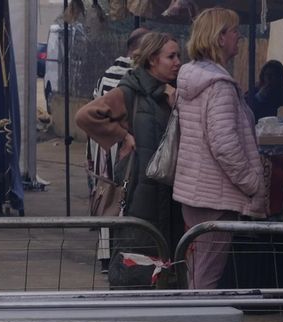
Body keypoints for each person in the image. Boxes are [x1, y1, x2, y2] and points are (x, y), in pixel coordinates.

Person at [173, 8, 267, 290]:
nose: (239, 36)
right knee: (206, 277)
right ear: (220, 37)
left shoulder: (192, 78)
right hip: (215, 195)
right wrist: (252, 184)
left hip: (194, 191)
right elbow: (225, 146)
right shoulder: (220, 86)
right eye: (234, 30)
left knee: (196, 271)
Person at [74, 31, 183, 268]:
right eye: (171, 56)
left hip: (169, 195)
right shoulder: (130, 91)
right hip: (138, 194)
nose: (178, 62)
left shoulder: (172, 94)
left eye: (178, 56)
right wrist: (123, 135)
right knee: (139, 260)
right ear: (153, 59)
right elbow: (85, 116)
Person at [86, 27, 149, 272]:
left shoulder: (107, 73)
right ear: (138, 50)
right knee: (122, 200)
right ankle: (119, 255)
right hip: (121, 151)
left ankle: (107, 255)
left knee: (109, 200)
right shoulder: (128, 74)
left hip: (104, 151)